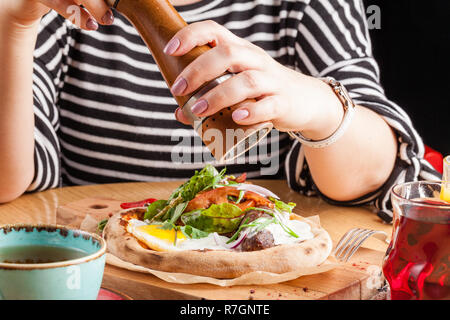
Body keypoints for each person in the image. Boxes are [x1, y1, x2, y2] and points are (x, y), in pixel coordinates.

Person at [0, 0, 439, 222]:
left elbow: (380, 177)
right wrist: (12, 24)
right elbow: (9, 186)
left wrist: (317, 106)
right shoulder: (63, 10)